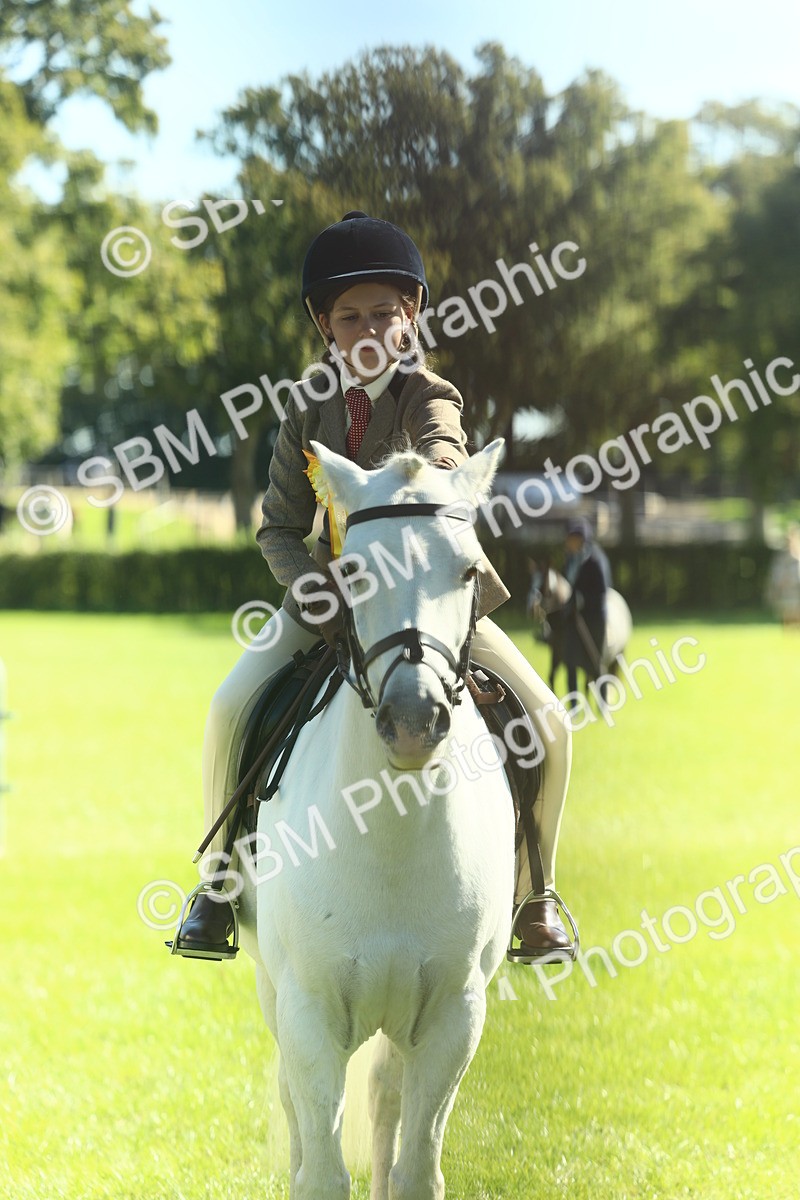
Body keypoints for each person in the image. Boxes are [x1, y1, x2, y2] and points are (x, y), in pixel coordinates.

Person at [175, 211, 575, 962]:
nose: (368, 331)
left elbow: (445, 452)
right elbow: (278, 529)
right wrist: (317, 596)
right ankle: (216, 886)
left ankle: (537, 896)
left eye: (384, 313)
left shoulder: (431, 396)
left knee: (550, 722)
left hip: (423, 601)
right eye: (349, 317)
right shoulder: (305, 407)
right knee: (229, 706)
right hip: (330, 601)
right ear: (324, 326)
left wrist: (442, 475)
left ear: (411, 314)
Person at [562, 516, 612, 698]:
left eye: (572, 538)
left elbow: (602, 591)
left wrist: (582, 599)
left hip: (594, 616)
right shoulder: (570, 559)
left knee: (595, 661)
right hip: (573, 616)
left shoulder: (595, 560)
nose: (568, 542)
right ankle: (573, 704)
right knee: (570, 662)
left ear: (581, 539)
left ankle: (603, 702)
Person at [765, 526, 800, 628]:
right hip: (785, 590)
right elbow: (776, 574)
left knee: (796, 614)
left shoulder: (797, 558)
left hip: (795, 590)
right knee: (786, 614)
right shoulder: (781, 558)